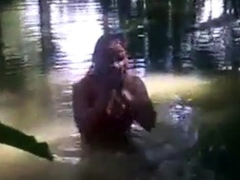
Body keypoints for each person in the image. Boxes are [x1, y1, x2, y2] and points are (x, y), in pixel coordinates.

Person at [72, 33, 156, 151]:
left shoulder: (134, 84)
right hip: (94, 149)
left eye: (120, 59)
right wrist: (104, 97)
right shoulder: (83, 87)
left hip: (125, 143)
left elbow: (150, 125)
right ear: (95, 60)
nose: (115, 66)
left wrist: (126, 95)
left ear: (127, 59)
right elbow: (84, 129)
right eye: (108, 59)